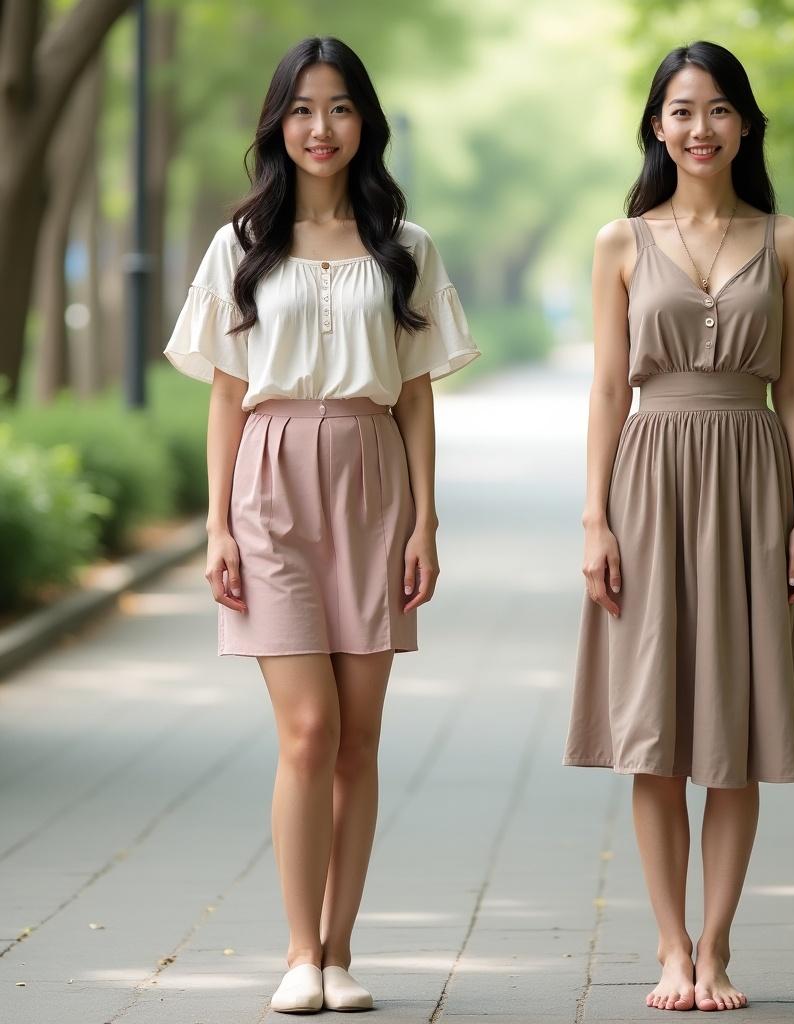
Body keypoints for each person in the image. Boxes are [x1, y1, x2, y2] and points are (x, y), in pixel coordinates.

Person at [163, 36, 479, 1014]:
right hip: (268, 485)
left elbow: (418, 397)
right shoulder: (240, 246)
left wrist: (426, 520)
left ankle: (341, 952)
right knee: (307, 729)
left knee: (358, 739)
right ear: (278, 123)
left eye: (340, 108)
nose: (320, 128)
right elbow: (224, 394)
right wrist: (215, 526)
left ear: (364, 123)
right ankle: (299, 953)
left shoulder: (406, 247)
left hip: (373, 478)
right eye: (302, 109)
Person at [562, 40, 794, 1013]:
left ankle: (717, 948)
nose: (699, 128)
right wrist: (593, 517)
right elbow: (605, 387)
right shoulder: (619, 241)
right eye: (681, 110)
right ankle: (668, 946)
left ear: (745, 124)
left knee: (735, 720)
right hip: (648, 485)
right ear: (655, 125)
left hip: (751, 480)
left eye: (718, 110)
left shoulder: (789, 239)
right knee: (656, 732)